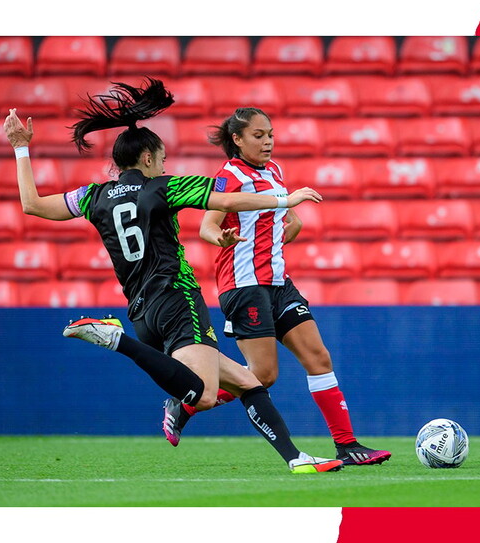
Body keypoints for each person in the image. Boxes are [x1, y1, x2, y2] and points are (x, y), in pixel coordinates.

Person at [1, 78, 341, 474]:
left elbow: (32, 205)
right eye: (161, 159)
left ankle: (296, 460)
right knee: (204, 393)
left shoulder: (93, 196)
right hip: (178, 300)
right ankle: (116, 340)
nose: (164, 166)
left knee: (249, 382)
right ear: (147, 158)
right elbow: (226, 199)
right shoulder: (164, 187)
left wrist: (20, 147)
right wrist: (285, 198)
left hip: (142, 311)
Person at [161, 107, 391, 466]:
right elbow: (207, 226)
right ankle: (185, 404)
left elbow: (286, 220)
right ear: (237, 139)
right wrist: (221, 238)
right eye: (258, 135)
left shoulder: (275, 171)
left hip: (279, 282)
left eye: (270, 134)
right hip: (244, 284)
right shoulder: (228, 176)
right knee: (263, 375)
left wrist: (289, 227)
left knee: (318, 357)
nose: (267, 141)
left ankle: (347, 445)